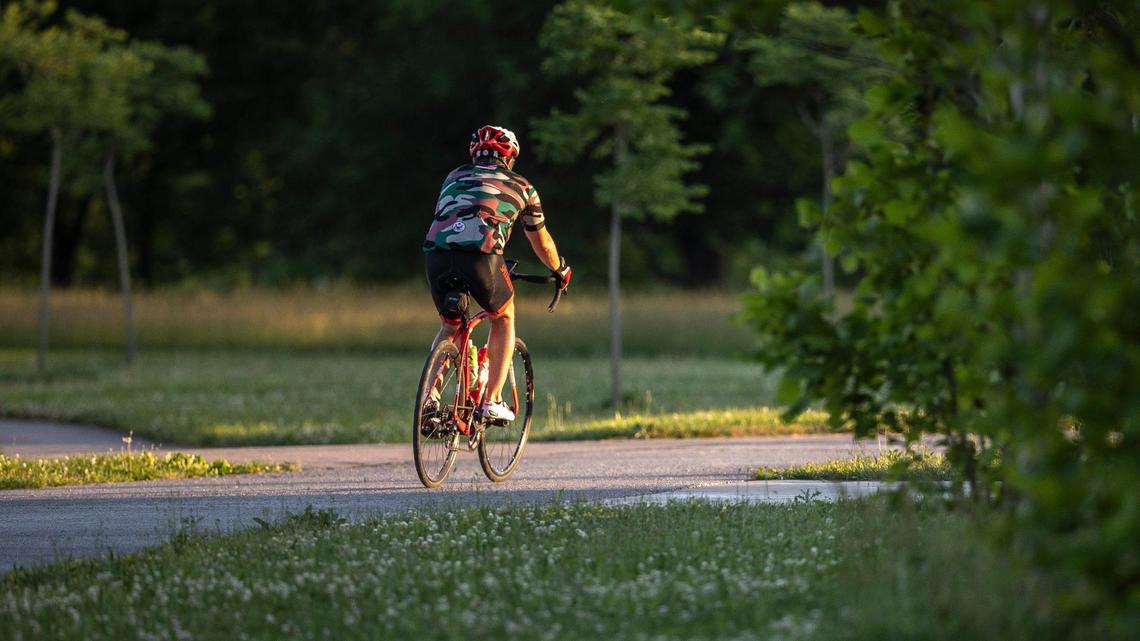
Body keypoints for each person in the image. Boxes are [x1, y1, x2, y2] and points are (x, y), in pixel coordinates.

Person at [423, 125, 571, 422]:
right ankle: (491, 400)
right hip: (482, 258)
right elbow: (541, 242)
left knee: (450, 325)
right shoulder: (524, 187)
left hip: (436, 257)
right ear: (511, 158)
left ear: (474, 155)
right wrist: (559, 270)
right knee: (503, 317)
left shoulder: (453, 176)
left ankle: (429, 400)